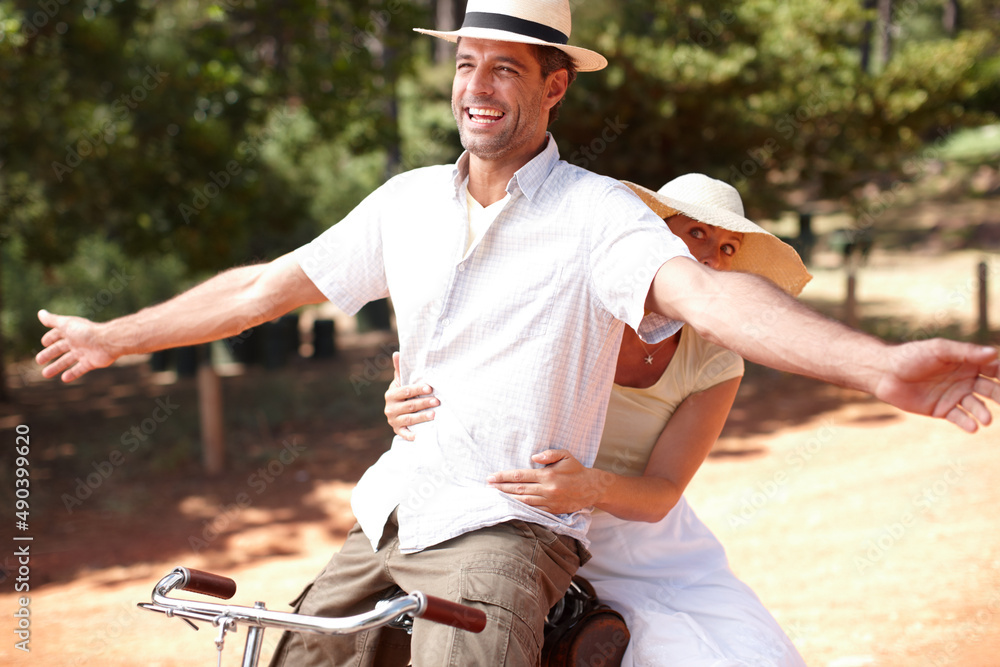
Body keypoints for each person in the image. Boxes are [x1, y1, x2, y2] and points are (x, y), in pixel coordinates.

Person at [34, 1, 1000, 664]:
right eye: (466, 64)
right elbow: (262, 287)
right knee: (289, 652)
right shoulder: (405, 203)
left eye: (505, 67)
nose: (478, 86)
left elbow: (708, 299)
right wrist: (117, 334)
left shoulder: (599, 217)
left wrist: (878, 366)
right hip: (391, 514)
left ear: (554, 88)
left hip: (505, 532)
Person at [385, 173, 812, 665]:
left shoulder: (716, 361)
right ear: (649, 232)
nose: (713, 256)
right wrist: (404, 404)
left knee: (729, 651)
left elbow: (663, 493)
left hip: (650, 538)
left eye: (728, 247)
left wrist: (589, 488)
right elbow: (465, 384)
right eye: (696, 232)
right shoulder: (568, 305)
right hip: (529, 518)